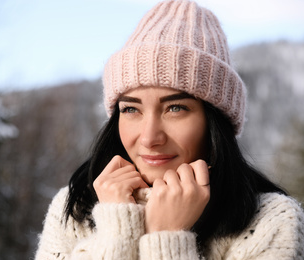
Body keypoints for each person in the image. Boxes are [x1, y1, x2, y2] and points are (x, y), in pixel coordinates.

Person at [34, 0, 304, 259]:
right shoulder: (75, 209)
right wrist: (117, 229)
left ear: (215, 122)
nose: (150, 138)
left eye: (175, 108)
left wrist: (167, 239)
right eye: (131, 109)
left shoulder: (271, 221)